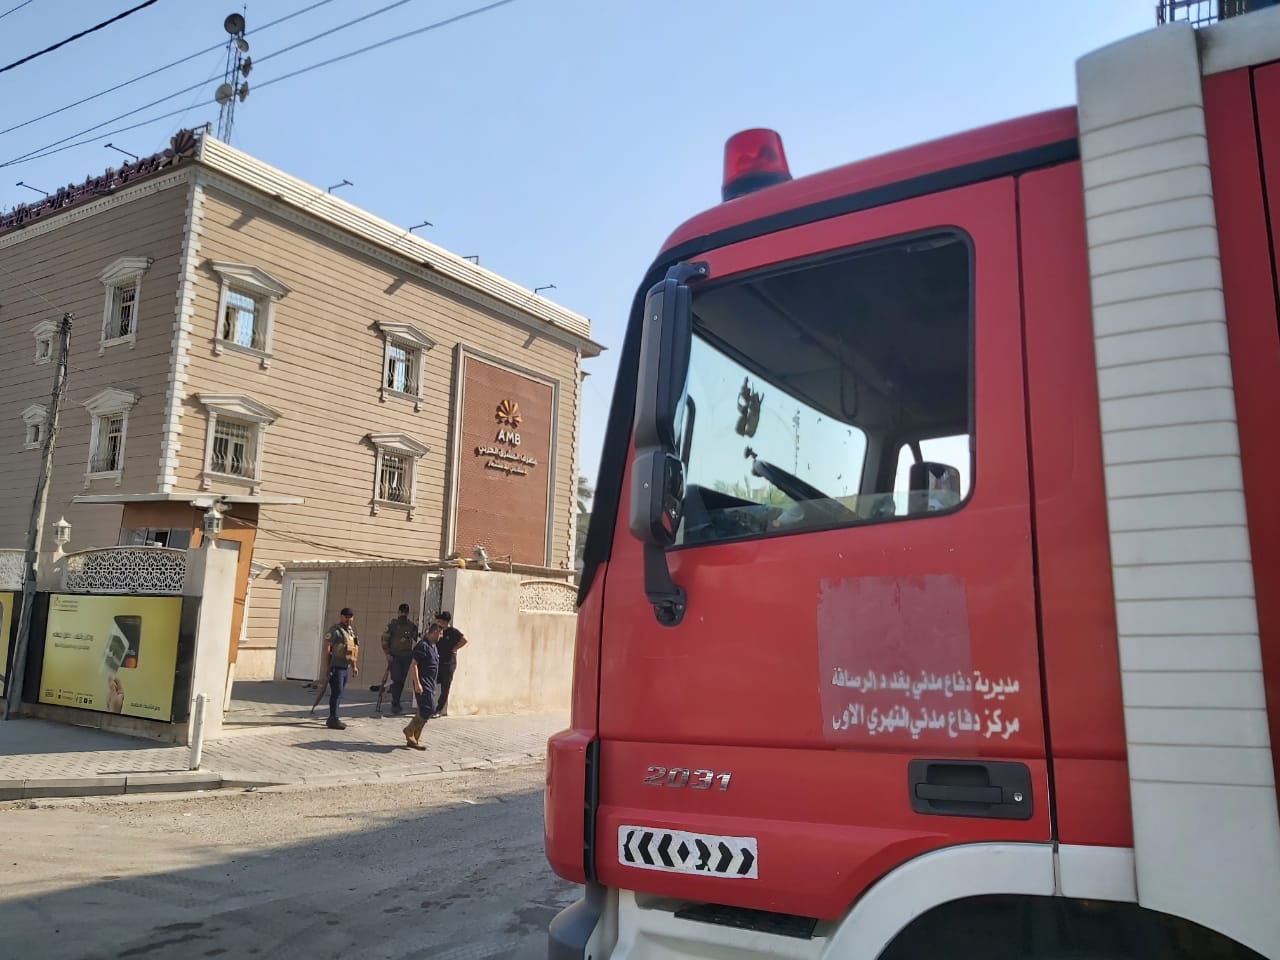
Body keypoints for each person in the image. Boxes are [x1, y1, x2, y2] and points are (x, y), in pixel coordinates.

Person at [403, 622, 441, 749]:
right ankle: (409, 730)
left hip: (430, 684)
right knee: (428, 708)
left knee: (426, 710)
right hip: (423, 684)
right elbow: (413, 665)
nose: (441, 636)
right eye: (440, 633)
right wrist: (417, 683)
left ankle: (414, 739)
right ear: (435, 632)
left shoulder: (433, 646)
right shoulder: (422, 646)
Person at [323, 607, 359, 730]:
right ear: (341, 616)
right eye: (346, 616)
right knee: (336, 693)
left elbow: (354, 650)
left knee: (340, 693)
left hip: (345, 667)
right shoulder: (335, 631)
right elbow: (327, 649)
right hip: (336, 667)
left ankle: (334, 717)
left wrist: (354, 666)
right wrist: (327, 667)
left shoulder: (351, 632)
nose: (348, 619)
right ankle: (333, 718)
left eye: (350, 617)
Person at [381, 603, 419, 716]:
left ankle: (396, 700)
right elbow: (384, 640)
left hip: (406, 656)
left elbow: (416, 637)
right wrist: (387, 653)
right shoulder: (393, 625)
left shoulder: (411, 625)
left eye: (405, 612)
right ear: (398, 612)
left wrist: (419, 625)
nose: (403, 614)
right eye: (402, 611)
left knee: (401, 680)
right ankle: (395, 703)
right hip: (395, 656)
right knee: (396, 679)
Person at [432, 610, 468, 718]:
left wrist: (455, 648)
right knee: (431, 683)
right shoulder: (439, 631)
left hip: (448, 663)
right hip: (438, 661)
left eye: (440, 621)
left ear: (445, 621)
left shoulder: (453, 632)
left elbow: (465, 640)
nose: (439, 623)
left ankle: (439, 709)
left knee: (445, 687)